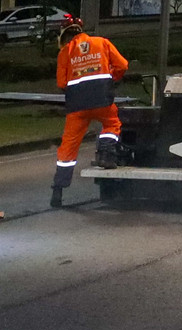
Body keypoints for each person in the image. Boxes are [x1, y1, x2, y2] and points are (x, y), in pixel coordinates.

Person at [51, 18, 128, 207]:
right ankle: (106, 156)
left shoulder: (65, 52)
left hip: (77, 105)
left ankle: (58, 190)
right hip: (102, 98)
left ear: (66, 35)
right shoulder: (102, 42)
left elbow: (61, 83)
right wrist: (112, 78)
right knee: (111, 124)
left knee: (68, 145)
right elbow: (123, 65)